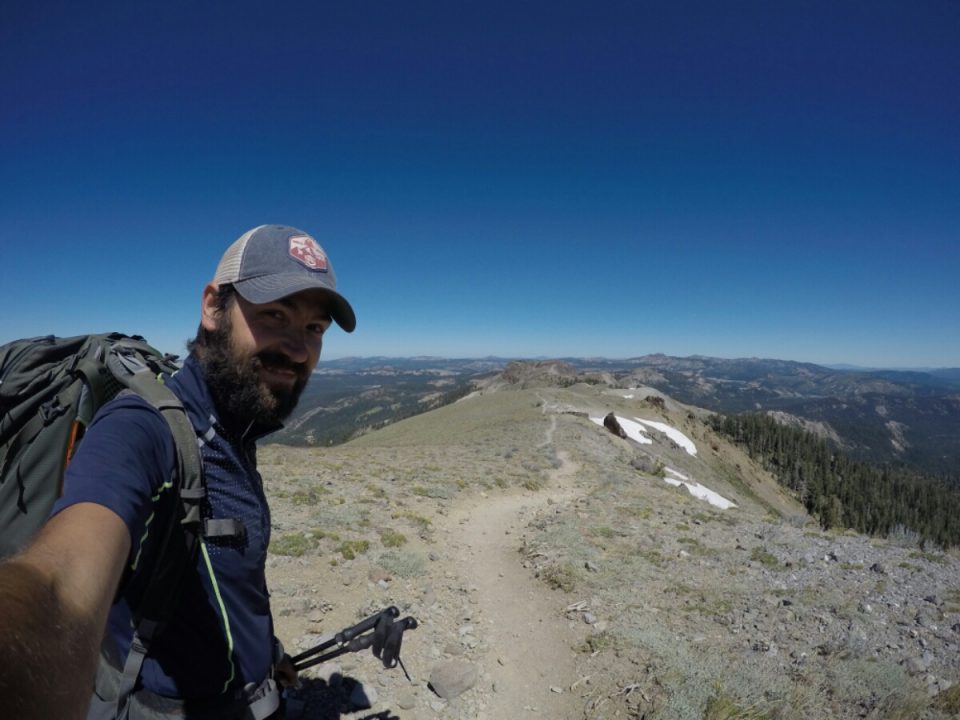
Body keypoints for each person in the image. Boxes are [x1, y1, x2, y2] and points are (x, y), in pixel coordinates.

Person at [0, 224, 356, 720]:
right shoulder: (142, 427)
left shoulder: (235, 423)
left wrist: (266, 652)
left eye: (315, 328)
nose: (299, 348)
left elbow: (231, 583)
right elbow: (60, 583)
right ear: (213, 307)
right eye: (275, 315)